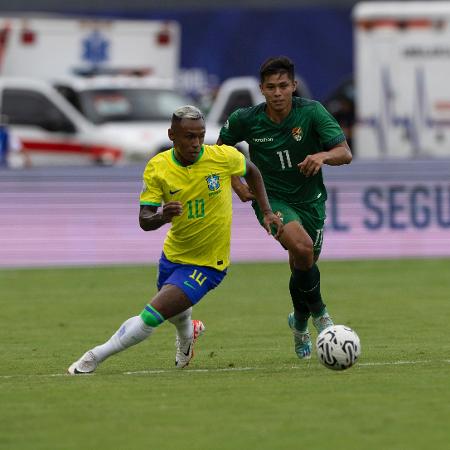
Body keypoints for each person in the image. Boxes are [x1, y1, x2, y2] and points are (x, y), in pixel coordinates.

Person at [68, 105, 283, 374]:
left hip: (208, 264)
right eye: (188, 137)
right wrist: (162, 216)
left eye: (200, 136)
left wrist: (266, 211)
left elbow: (252, 171)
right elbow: (144, 220)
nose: (195, 143)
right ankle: (188, 334)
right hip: (173, 256)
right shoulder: (158, 167)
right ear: (172, 135)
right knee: (174, 311)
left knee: (151, 315)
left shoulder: (223, 157)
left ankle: (93, 357)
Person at [217, 56, 352, 360]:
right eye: (270, 87)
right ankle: (321, 317)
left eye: (283, 86)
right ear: (261, 89)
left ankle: (299, 323)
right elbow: (219, 151)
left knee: (301, 265)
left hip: (311, 201)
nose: (277, 92)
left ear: (293, 86)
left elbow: (345, 153)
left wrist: (322, 156)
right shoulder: (245, 119)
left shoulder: (312, 112)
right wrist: (235, 181)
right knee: (302, 249)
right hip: (271, 200)